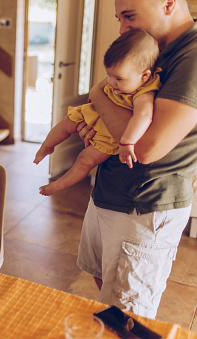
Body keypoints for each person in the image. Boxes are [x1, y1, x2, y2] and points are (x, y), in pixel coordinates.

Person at [76, 0, 197, 319]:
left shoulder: (193, 55)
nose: (122, 28)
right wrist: (99, 125)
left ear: (169, 3)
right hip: (110, 193)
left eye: (129, 16)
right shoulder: (153, 48)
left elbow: (145, 148)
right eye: (119, 18)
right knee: (106, 288)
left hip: (145, 207)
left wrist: (99, 97)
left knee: (126, 317)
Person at [34, 29, 160, 196]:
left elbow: (144, 116)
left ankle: (59, 185)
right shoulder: (128, 77)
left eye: (118, 79)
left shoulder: (145, 93)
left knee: (84, 160)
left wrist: (127, 142)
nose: (111, 82)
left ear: (144, 76)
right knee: (66, 122)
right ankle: (46, 146)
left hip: (109, 136)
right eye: (109, 75)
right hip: (95, 112)